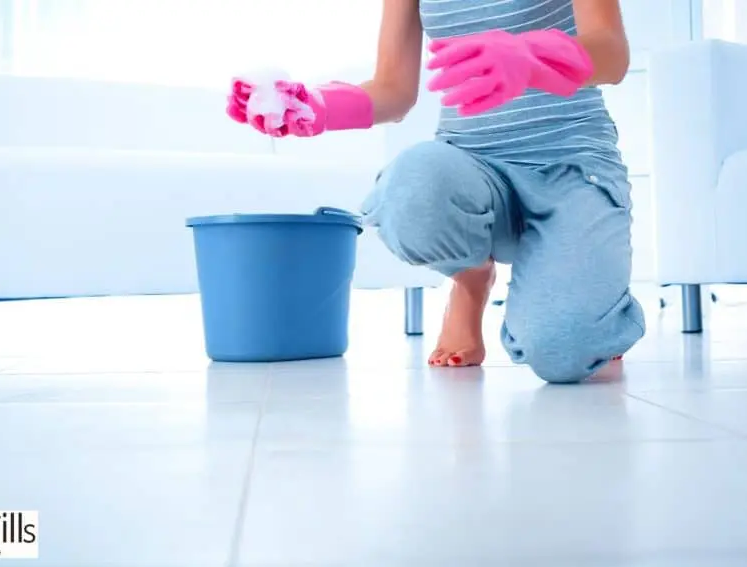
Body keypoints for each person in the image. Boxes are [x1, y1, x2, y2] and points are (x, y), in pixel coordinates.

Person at [227, 0, 646, 384]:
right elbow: (393, 88)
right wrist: (316, 106)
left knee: (563, 350)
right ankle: (470, 279)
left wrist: (530, 56)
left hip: (571, 168)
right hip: (472, 168)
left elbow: (612, 53)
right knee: (410, 189)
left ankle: (599, 308)